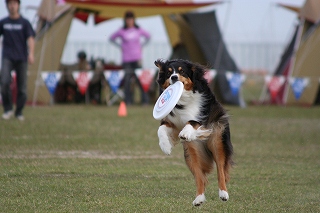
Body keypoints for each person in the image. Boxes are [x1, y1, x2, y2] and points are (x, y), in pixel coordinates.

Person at [0, 0, 35, 121]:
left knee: (22, 88)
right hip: (7, 57)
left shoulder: (24, 23)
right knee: (4, 82)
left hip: (22, 57)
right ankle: (8, 109)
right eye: (10, 4)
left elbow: (30, 38)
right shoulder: (3, 22)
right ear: (7, 6)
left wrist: (31, 53)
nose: (12, 6)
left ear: (18, 5)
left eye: (14, 3)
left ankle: (19, 112)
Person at [110, 11, 150, 105]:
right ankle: (128, 101)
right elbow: (112, 38)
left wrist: (141, 46)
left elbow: (148, 36)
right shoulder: (122, 31)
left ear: (133, 20)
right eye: (128, 19)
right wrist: (120, 46)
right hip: (126, 59)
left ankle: (145, 100)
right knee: (127, 81)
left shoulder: (138, 29)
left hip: (137, 58)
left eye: (131, 19)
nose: (129, 21)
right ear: (125, 20)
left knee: (140, 80)